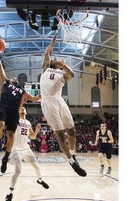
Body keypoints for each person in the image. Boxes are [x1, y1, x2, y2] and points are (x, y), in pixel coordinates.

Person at [39, 30, 86, 177]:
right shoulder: (46, 68)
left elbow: (71, 75)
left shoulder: (62, 73)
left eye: (58, 60)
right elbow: (48, 53)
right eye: (56, 59)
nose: (56, 59)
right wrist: (53, 39)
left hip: (59, 100)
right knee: (59, 134)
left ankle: (73, 154)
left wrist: (64, 66)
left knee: (71, 131)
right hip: (48, 102)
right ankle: (71, 162)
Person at [0, 44, 41, 173]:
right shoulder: (6, 82)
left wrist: (42, 96)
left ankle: (5, 158)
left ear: (18, 82)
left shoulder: (22, 91)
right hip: (3, 106)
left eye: (16, 78)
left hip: (14, 111)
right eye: (13, 77)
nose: (14, 77)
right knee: (0, 126)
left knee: (11, 135)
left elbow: (34, 99)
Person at [5, 107, 49, 201]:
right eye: (20, 108)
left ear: (26, 112)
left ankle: (40, 180)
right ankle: (9, 194)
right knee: (19, 170)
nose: (22, 109)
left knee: (36, 167)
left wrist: (37, 130)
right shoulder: (15, 119)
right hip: (16, 147)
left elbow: (32, 136)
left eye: (24, 108)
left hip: (26, 147)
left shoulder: (28, 123)